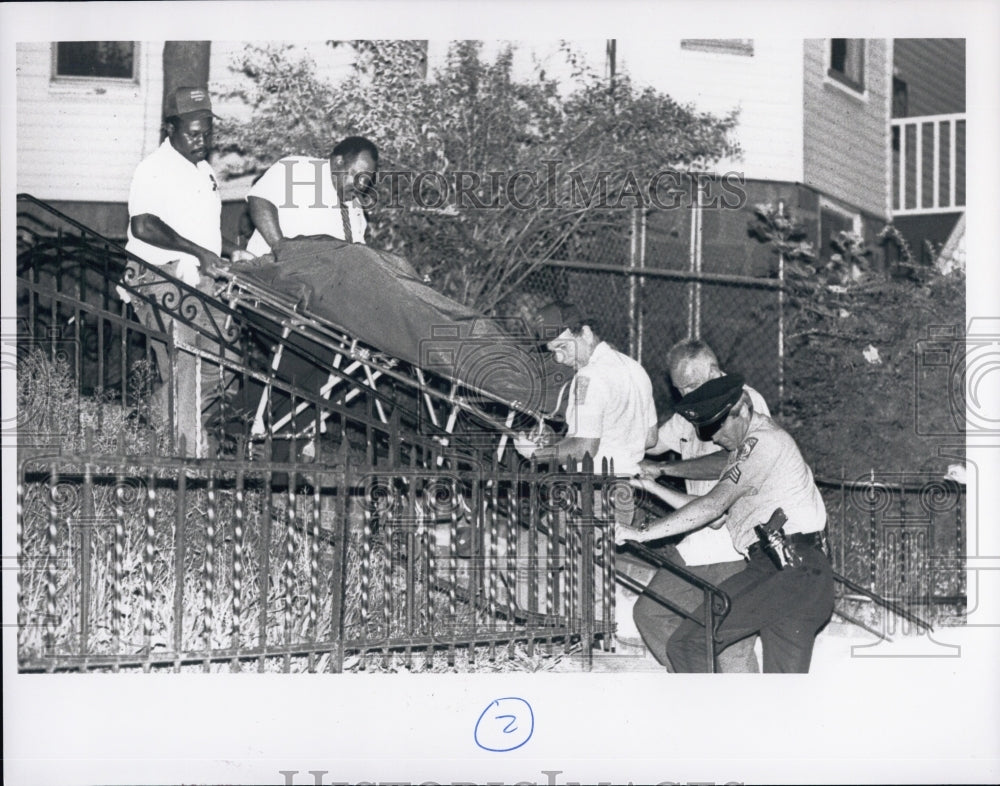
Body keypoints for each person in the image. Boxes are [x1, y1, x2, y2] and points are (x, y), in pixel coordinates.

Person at [619, 373, 834, 673]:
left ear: (743, 409)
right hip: (802, 576)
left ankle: (711, 718)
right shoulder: (748, 448)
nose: (715, 438)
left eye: (718, 428)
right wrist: (652, 487)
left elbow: (711, 506)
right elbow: (717, 517)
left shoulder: (763, 443)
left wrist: (641, 533)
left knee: (688, 644)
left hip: (785, 570)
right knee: (785, 700)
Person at [123, 86, 250, 457]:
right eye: (194, 133)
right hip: (160, 276)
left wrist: (232, 251)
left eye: (208, 132)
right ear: (170, 129)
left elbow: (202, 231)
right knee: (188, 364)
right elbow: (143, 225)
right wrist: (198, 252)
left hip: (199, 278)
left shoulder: (203, 170)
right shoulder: (154, 169)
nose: (203, 140)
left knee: (224, 366)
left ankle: (154, 420)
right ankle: (189, 457)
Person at [633, 339, 768, 672]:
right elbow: (652, 445)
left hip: (738, 545)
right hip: (697, 542)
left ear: (713, 369)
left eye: (691, 384)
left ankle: (749, 713)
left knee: (731, 647)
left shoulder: (745, 400)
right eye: (679, 389)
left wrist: (666, 469)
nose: (684, 395)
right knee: (649, 612)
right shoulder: (689, 412)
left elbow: (729, 460)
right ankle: (699, 692)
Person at [514, 301, 658, 479]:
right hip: (630, 482)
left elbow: (585, 447)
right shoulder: (635, 368)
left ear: (586, 333)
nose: (559, 358)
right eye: (553, 351)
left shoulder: (588, 377)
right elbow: (650, 438)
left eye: (563, 347)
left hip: (594, 487)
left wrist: (535, 454)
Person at [245, 136, 379, 256]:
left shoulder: (355, 206)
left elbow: (356, 249)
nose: (362, 185)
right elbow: (260, 200)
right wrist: (282, 249)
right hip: (267, 274)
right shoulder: (298, 169)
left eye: (366, 180)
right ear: (339, 162)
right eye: (358, 175)